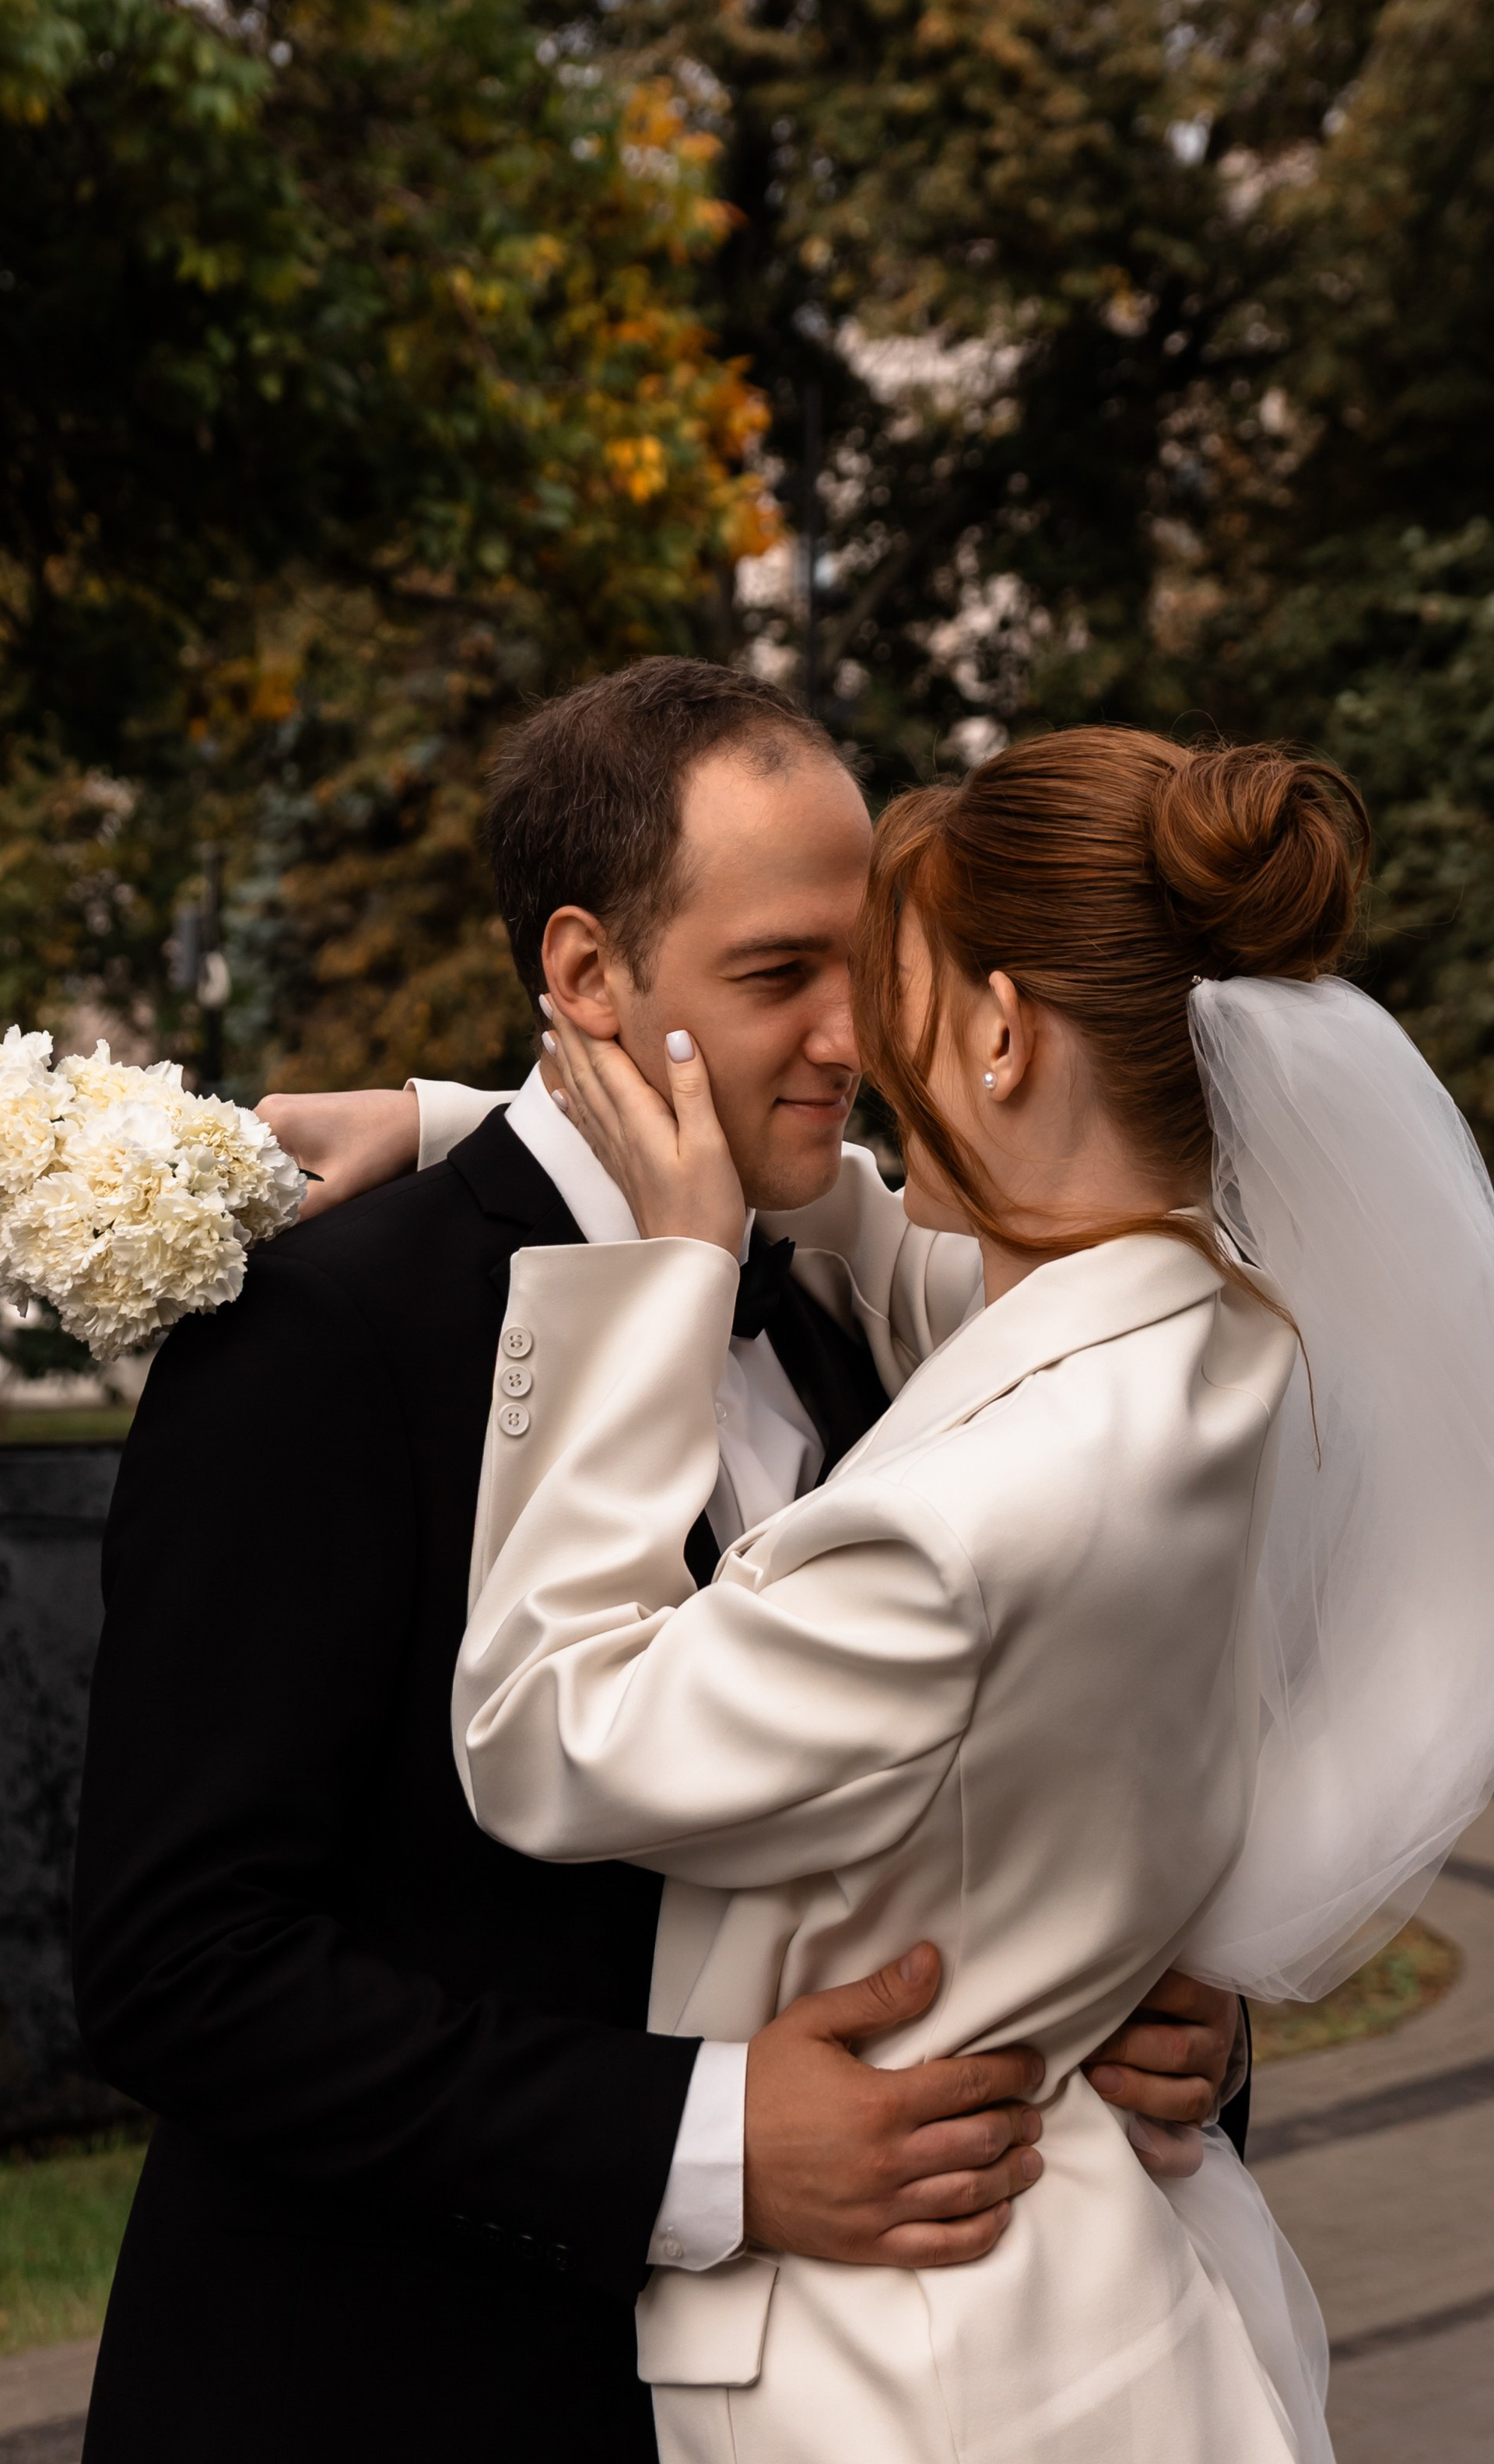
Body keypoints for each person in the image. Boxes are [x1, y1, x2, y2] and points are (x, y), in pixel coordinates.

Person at [72, 666, 1240, 2463]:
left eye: (875, 962)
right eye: (781, 975)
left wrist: (1150, 2008)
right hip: (407, 2395)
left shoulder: (867, 1304)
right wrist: (705, 2142)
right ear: (589, 973)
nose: (858, 1037)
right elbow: (179, 1965)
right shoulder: (326, 1341)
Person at [446, 727, 1385, 2462]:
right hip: (1102, 2305)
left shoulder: (959, 1527)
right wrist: (471, 1125)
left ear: (1004, 1033)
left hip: (919, 2378)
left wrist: (657, 1277)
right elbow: (883, 1233)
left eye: (891, 981)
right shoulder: (1226, 1333)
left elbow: (541, 1731)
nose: (856, 1045)